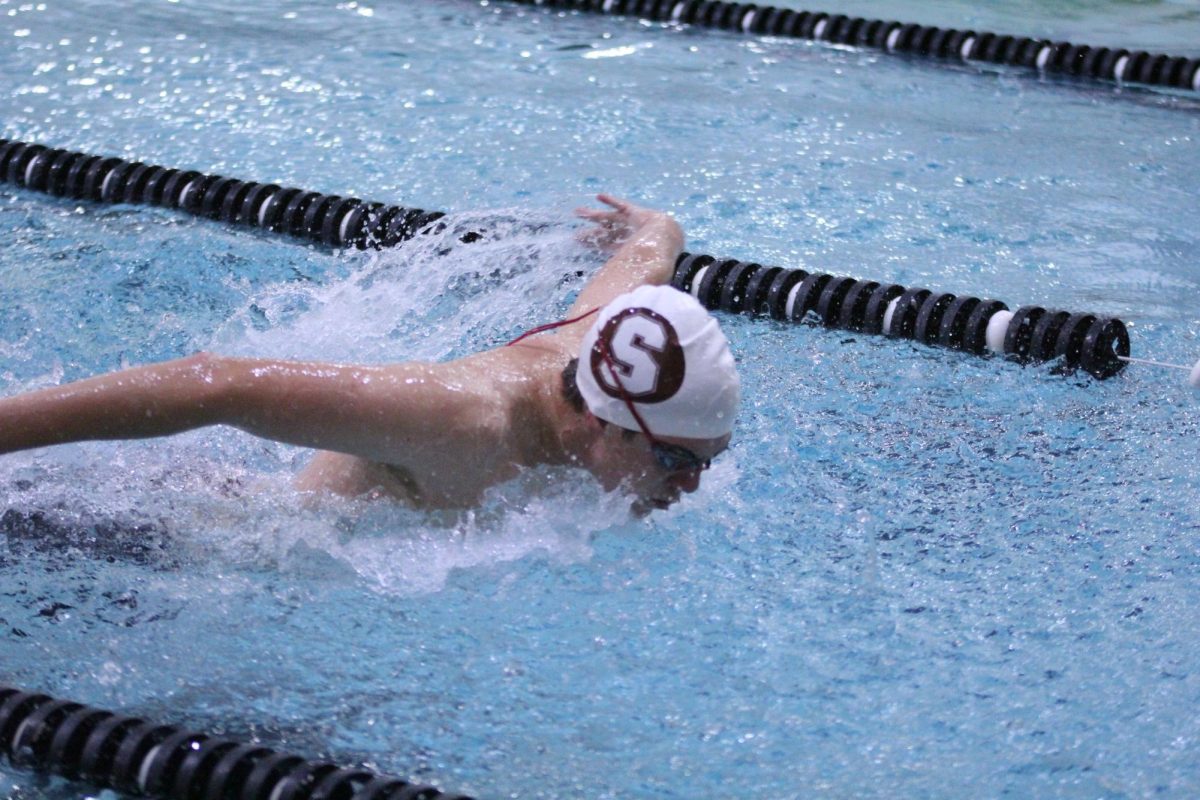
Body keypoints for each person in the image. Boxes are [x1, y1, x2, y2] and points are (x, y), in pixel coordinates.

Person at [0, 195, 740, 515]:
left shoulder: (601, 348)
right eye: (677, 460)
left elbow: (646, 258)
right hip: (204, 547)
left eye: (706, 459)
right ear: (603, 424)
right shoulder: (462, 421)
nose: (696, 485)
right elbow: (216, 383)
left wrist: (659, 227)